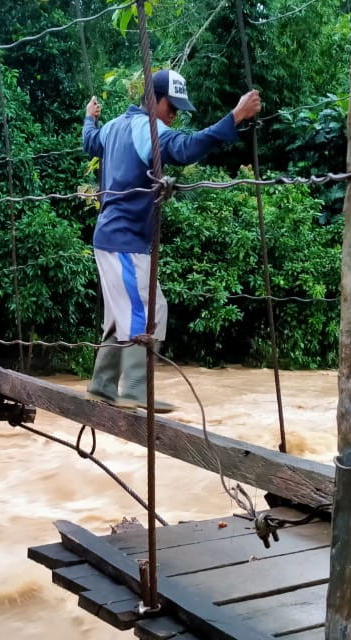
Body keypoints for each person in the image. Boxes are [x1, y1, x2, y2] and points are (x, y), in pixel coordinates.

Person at [81, 69, 260, 411]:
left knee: (129, 311)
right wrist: (235, 116)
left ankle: (103, 385)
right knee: (144, 312)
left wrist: (89, 119)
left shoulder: (116, 126)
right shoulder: (146, 129)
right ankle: (134, 390)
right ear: (152, 101)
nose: (174, 115)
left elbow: (91, 141)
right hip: (125, 239)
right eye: (171, 106)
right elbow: (184, 147)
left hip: (114, 236)